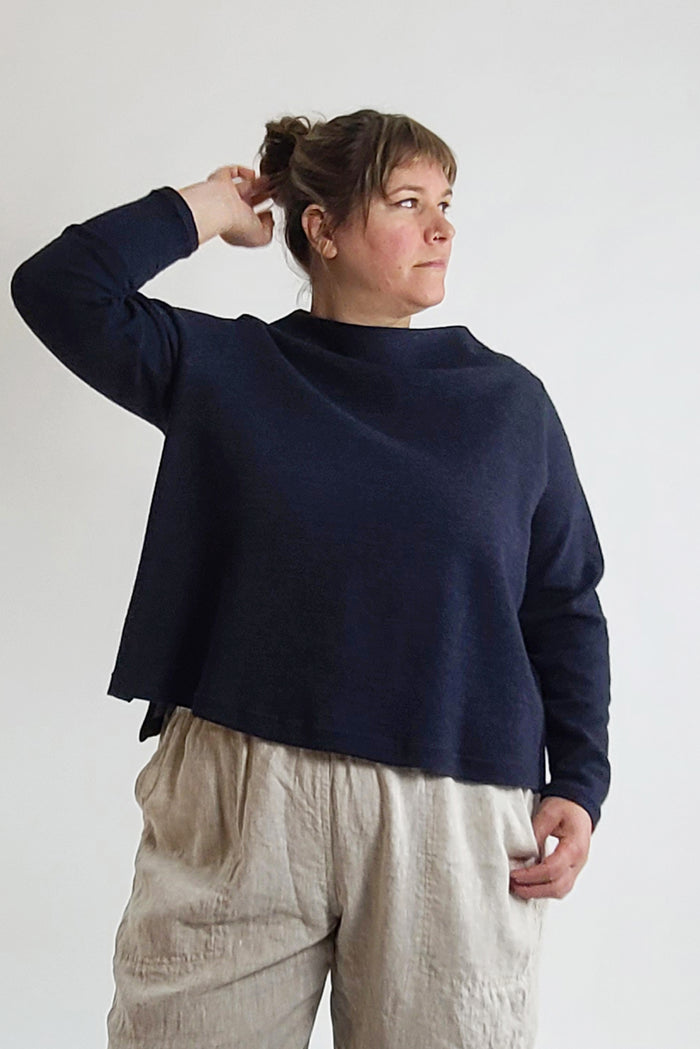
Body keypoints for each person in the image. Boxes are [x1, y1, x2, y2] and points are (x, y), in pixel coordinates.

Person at [10, 108, 611, 1049]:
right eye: (407, 202)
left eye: (446, 203)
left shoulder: (508, 407)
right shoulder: (229, 368)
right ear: (321, 228)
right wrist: (207, 206)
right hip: (244, 790)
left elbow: (563, 601)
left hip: (449, 807)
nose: (442, 228)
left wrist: (577, 776)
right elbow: (58, 288)